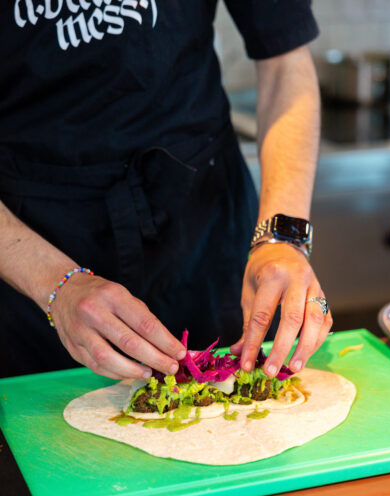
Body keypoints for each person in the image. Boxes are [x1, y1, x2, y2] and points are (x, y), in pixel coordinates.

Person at [0, 0, 332, 380]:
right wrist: (55, 286)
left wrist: (282, 238)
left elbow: (284, 63)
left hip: (203, 219)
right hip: (28, 246)